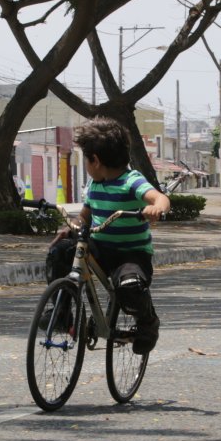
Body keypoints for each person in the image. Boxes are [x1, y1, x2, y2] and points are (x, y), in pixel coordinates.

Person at [60, 117, 170, 355]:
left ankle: (148, 323)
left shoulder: (132, 181)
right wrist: (72, 227)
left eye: (85, 158)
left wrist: (156, 208)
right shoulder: (95, 184)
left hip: (130, 256)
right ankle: (60, 313)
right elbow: (85, 216)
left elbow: (160, 198)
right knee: (61, 252)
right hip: (100, 250)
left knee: (130, 287)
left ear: (95, 160)